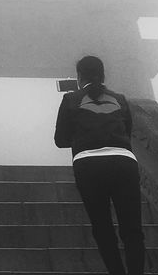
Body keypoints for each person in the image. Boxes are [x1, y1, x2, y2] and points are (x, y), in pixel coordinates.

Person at [54, 55, 145, 275]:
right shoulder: (120, 99)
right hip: (124, 162)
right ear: (103, 75)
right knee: (132, 228)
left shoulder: (70, 99)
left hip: (88, 166)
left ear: (78, 77)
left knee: (102, 226)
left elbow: (60, 140)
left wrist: (81, 135)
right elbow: (127, 132)